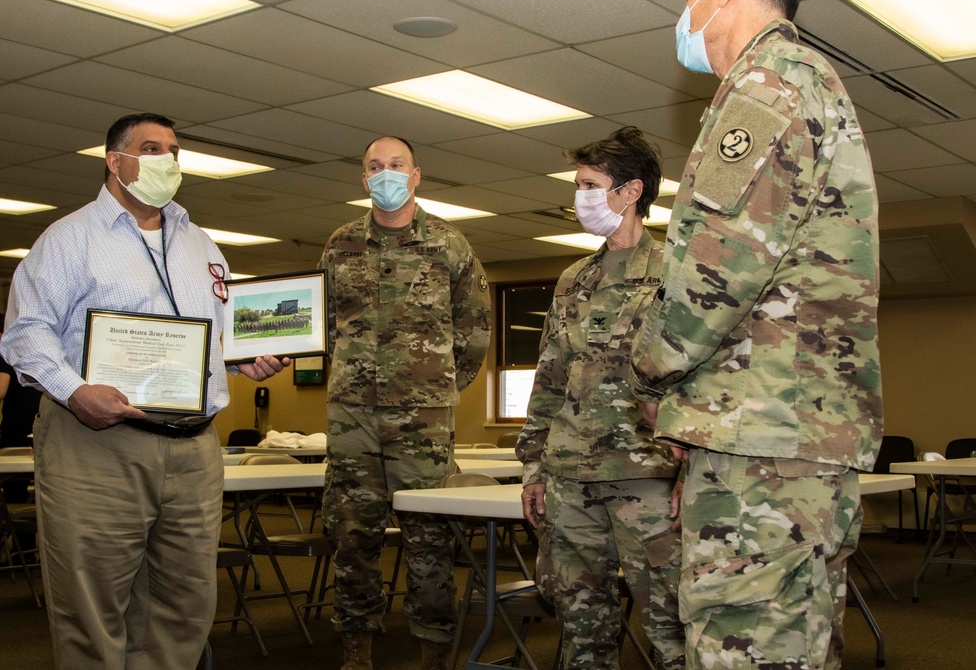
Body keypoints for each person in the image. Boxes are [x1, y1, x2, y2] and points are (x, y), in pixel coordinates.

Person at [628, 0, 883, 669]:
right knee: (796, 642)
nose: (684, 12)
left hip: (763, 439)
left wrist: (649, 371)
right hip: (791, 433)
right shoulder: (807, 81)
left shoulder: (766, 84)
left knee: (749, 644)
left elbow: (715, 270)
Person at [0, 112, 288, 670]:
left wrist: (242, 359)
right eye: (152, 149)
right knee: (92, 604)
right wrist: (74, 389)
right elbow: (26, 333)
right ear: (115, 161)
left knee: (184, 605)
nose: (168, 161)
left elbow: (214, 334)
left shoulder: (201, 243)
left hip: (194, 449)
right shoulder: (68, 239)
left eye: (175, 151)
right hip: (97, 442)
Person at [320, 135, 491, 670]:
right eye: (375, 166)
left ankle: (433, 650)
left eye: (397, 165)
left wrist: (434, 387)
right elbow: (322, 326)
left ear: (416, 176)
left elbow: (476, 330)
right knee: (351, 534)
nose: (386, 173)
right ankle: (356, 648)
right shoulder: (340, 244)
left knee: (428, 539)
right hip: (352, 414)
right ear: (363, 178)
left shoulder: (449, 244)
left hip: (422, 416)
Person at [516, 127, 685, 669]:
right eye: (578, 185)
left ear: (631, 191)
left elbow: (700, 380)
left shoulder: (676, 275)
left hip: (648, 477)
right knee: (581, 625)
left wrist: (693, 471)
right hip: (571, 479)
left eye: (590, 185)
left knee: (670, 623)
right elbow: (549, 380)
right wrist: (534, 469)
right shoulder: (574, 279)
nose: (579, 198)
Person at [0, 315, 42, 503]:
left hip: (18, 427)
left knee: (14, 489)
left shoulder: (6, 352)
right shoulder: (43, 351)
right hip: (41, 423)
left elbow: (0, 389)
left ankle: (19, 529)